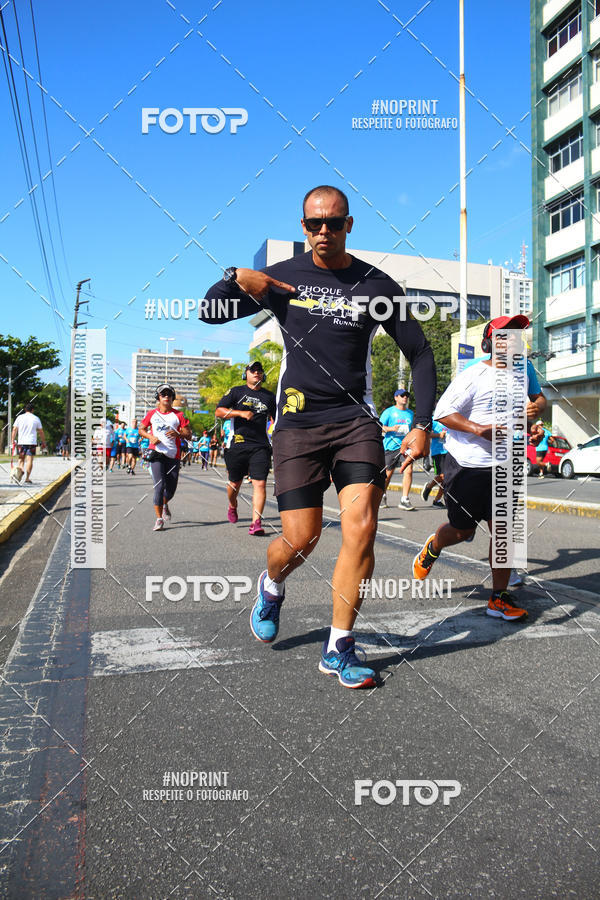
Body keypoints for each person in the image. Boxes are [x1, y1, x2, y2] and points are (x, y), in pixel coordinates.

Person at [202, 184, 436, 688]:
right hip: (298, 424)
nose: (323, 231)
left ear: (349, 224)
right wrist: (233, 280)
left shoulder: (376, 286)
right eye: (314, 224)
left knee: (361, 526)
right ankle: (271, 584)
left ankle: (339, 645)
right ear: (302, 227)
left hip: (356, 422)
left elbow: (420, 353)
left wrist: (422, 424)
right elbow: (210, 312)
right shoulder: (282, 278)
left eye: (333, 222)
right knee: (301, 538)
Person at [413, 315, 532, 621]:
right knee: (462, 530)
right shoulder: (474, 374)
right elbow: (443, 413)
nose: (513, 342)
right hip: (467, 464)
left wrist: (532, 426)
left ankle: (498, 597)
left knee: (503, 533)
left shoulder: (521, 375)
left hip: (504, 464)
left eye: (517, 336)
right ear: (489, 343)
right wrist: (478, 429)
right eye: (505, 336)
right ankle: (434, 545)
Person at [215, 361, 277, 535]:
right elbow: (219, 411)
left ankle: (256, 522)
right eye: (253, 370)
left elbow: (276, 418)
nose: (256, 373)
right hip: (238, 444)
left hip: (261, 446)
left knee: (260, 483)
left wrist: (277, 429)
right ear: (246, 375)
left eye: (259, 370)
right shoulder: (237, 392)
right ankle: (232, 505)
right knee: (234, 484)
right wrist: (239, 413)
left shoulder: (269, 397)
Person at [139, 384, 191, 531]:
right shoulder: (152, 414)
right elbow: (141, 429)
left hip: (173, 455)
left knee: (171, 490)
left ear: (173, 398)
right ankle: (159, 519)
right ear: (158, 397)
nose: (166, 397)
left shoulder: (179, 416)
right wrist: (150, 436)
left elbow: (189, 435)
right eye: (163, 394)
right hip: (156, 453)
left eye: (169, 394)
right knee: (159, 486)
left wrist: (178, 434)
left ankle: (164, 504)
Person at [380, 389, 415, 510]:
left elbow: (413, 430)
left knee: (409, 470)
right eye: (402, 396)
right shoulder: (389, 412)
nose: (405, 398)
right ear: (396, 398)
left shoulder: (410, 413)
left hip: (406, 447)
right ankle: (382, 495)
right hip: (391, 446)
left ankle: (404, 499)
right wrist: (391, 429)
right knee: (388, 474)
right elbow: (379, 427)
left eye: (407, 396)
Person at [11, 402, 45, 483]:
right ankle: (27, 478)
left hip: (21, 442)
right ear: (32, 410)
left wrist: (12, 440)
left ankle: (20, 471)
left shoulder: (19, 417)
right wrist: (43, 441)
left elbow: (14, 429)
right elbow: (40, 431)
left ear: (25, 410)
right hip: (32, 442)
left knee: (21, 458)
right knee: (29, 460)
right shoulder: (36, 418)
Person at [421, 420, 447, 508]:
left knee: (448, 478)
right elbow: (426, 434)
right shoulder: (433, 421)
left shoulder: (451, 418)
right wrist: (439, 435)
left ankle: (437, 500)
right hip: (438, 452)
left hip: (450, 451)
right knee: (443, 476)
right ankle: (429, 486)